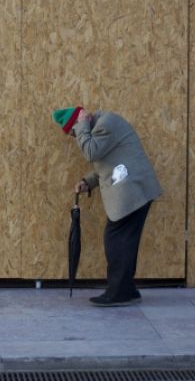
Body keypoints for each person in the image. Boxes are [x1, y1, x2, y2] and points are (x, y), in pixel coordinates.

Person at [51, 106, 163, 307]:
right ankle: (127, 290)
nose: (75, 138)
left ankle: (119, 292)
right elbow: (108, 164)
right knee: (124, 242)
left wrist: (82, 125)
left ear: (79, 122)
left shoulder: (106, 124)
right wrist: (88, 182)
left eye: (73, 133)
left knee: (116, 240)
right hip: (135, 191)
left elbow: (91, 153)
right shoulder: (103, 127)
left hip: (133, 191)